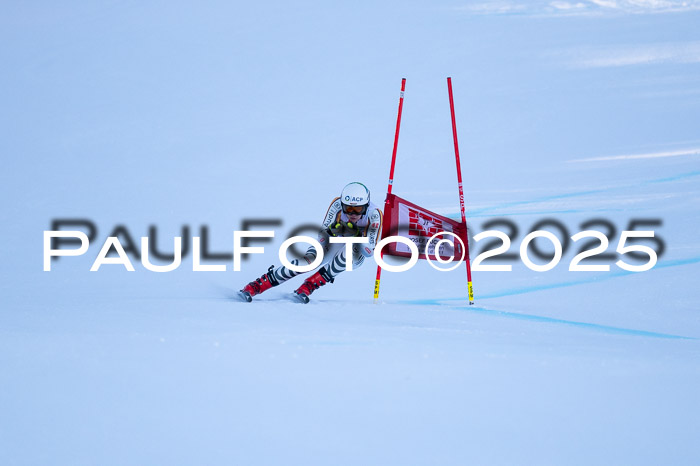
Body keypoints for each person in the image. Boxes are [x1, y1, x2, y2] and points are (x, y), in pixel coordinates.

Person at [239, 182, 383, 303]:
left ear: (366, 206)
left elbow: (369, 252)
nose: (352, 214)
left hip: (357, 250)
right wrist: (332, 232)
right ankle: (257, 285)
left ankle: (309, 286)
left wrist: (356, 234)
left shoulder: (375, 214)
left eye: (358, 209)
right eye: (348, 209)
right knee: (308, 262)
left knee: (348, 254)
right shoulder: (337, 204)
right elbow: (321, 235)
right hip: (334, 242)